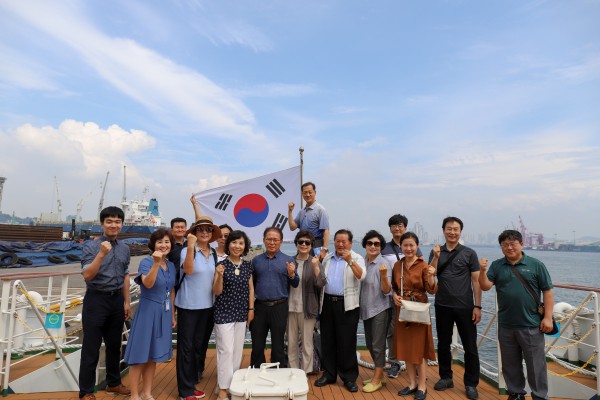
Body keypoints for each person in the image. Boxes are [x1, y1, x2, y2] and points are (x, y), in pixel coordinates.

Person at [479, 230, 554, 400]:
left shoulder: (536, 265)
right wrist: (482, 271)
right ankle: (515, 393)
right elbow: (485, 286)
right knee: (510, 365)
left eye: (513, 243)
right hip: (506, 325)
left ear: (521, 244)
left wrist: (548, 317)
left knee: (536, 365)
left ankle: (540, 395)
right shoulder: (497, 266)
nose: (509, 247)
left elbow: (548, 291)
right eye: (505, 244)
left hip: (531, 324)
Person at [79, 206, 131, 399]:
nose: (113, 225)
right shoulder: (91, 247)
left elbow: (125, 275)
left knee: (114, 345)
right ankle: (85, 391)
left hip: (116, 299)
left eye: (117, 221)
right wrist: (101, 254)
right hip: (96, 299)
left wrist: (126, 301)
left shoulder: (124, 248)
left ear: (122, 225)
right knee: (91, 347)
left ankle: (114, 383)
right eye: (109, 221)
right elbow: (87, 275)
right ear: (102, 224)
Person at [429, 216, 481, 400]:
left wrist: (478, 306)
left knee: (470, 346)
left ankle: (471, 383)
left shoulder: (469, 253)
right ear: (443, 230)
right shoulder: (436, 251)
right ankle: (445, 377)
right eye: (449, 229)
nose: (452, 232)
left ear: (460, 231)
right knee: (443, 344)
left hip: (465, 306)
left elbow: (476, 281)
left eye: (456, 229)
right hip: (442, 304)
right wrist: (435, 257)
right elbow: (431, 275)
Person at [124, 229, 177, 400]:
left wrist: (173, 315)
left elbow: (172, 290)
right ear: (153, 244)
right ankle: (134, 394)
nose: (163, 245)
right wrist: (156, 263)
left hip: (165, 312)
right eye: (160, 241)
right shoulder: (147, 262)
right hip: (148, 311)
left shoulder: (171, 266)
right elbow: (147, 283)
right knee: (140, 354)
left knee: (152, 356)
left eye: (167, 242)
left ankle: (147, 392)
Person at [175, 216, 221, 400]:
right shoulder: (187, 250)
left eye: (208, 230)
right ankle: (185, 391)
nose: (204, 232)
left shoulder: (214, 253)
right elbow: (188, 270)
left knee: (199, 347)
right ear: (194, 232)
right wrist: (191, 247)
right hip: (189, 306)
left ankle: (191, 382)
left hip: (208, 307)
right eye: (200, 229)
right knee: (186, 348)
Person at [315, 229, 366, 393]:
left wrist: (350, 260)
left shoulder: (357, 257)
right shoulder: (328, 258)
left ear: (351, 243)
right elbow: (322, 279)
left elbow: (361, 276)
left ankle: (349, 377)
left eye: (344, 241)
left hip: (347, 305)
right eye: (338, 240)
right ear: (334, 242)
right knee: (327, 341)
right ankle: (329, 374)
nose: (341, 244)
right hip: (328, 303)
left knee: (347, 342)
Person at [392, 232, 437, 400]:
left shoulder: (424, 265)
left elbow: (431, 289)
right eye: (405, 245)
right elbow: (394, 287)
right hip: (403, 309)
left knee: (419, 350)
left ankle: (422, 386)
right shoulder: (397, 265)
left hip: (418, 309)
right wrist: (394, 296)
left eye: (412, 245)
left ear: (417, 246)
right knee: (406, 348)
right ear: (400, 247)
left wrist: (432, 276)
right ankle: (411, 383)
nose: (409, 248)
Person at [213, 230, 254, 400]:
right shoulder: (222, 264)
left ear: (245, 247)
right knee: (226, 350)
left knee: (237, 350)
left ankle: (234, 385)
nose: (237, 246)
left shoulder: (247, 266)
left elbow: (251, 289)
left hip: (241, 313)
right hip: (224, 312)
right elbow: (217, 291)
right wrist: (220, 276)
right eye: (234, 242)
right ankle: (223, 388)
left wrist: (251, 310)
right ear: (228, 244)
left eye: (241, 243)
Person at [380, 214, 422, 378]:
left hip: (412, 298)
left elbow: (420, 269)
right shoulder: (384, 248)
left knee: (414, 331)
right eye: (394, 226)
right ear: (390, 229)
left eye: (400, 225)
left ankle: (416, 362)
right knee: (392, 332)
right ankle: (395, 362)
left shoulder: (412, 246)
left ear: (405, 227)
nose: (397, 228)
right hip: (392, 297)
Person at [250, 226, 298, 367]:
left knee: (278, 344)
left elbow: (295, 283)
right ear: (264, 241)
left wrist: (291, 274)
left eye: (275, 240)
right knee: (257, 344)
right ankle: (257, 371)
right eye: (269, 239)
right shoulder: (256, 261)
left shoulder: (288, 260)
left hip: (280, 306)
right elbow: (251, 285)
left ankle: (279, 373)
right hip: (259, 307)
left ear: (281, 241)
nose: (272, 242)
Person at [287, 230, 326, 374]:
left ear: (311, 246)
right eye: (300, 242)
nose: (303, 244)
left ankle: (305, 372)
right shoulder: (289, 260)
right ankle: (293, 372)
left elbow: (321, 283)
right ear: (296, 244)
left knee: (307, 343)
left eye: (307, 242)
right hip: (290, 308)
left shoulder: (315, 262)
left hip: (308, 309)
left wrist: (316, 266)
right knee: (291, 343)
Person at [359, 230, 392, 393]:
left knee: (378, 345)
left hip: (380, 309)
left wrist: (384, 275)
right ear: (365, 245)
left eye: (377, 244)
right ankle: (380, 374)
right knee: (370, 344)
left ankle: (378, 378)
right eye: (370, 243)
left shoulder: (384, 264)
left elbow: (387, 291)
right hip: (365, 310)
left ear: (381, 247)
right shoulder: (362, 261)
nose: (373, 246)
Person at [288, 182, 330, 251]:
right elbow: (292, 227)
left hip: (316, 244)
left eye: (310, 192)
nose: (308, 195)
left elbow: (326, 231)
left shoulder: (321, 210)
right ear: (302, 194)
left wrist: (324, 249)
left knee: (316, 262)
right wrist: (290, 211)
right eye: (305, 192)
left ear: (315, 192)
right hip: (302, 244)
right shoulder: (302, 211)